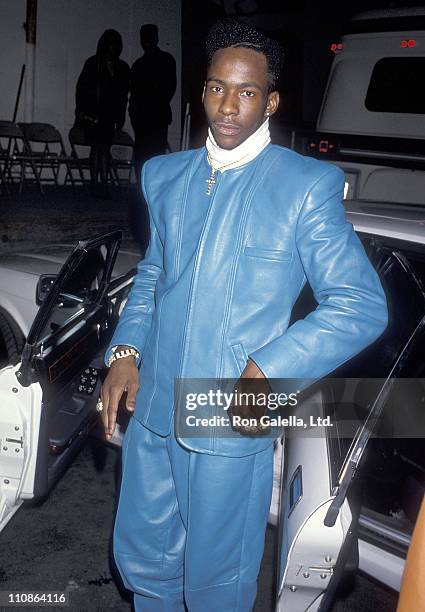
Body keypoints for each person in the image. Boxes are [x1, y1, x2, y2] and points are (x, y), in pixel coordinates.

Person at [100, 18, 388, 612]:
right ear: (201, 91)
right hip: (152, 411)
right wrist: (125, 353)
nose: (228, 107)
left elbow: (360, 305)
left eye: (247, 92)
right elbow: (154, 274)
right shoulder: (164, 176)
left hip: (227, 413)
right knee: (146, 567)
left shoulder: (306, 185)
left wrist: (270, 368)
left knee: (217, 585)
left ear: (271, 100)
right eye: (215, 89)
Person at [75, 29, 130, 199]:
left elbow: (123, 95)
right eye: (111, 44)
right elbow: (81, 90)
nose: (114, 47)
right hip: (93, 115)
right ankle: (95, 183)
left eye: (117, 44)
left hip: (110, 116)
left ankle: (103, 184)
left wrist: (120, 116)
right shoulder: (93, 64)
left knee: (104, 148)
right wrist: (84, 114)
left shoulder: (122, 67)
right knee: (97, 148)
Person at [129, 24, 176, 177]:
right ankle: (142, 191)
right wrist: (134, 115)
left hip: (157, 117)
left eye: (150, 37)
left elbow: (169, 88)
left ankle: (154, 191)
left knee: (156, 156)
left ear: (156, 38)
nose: (147, 41)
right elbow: (134, 94)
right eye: (144, 37)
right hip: (142, 119)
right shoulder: (138, 65)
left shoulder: (166, 60)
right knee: (142, 157)